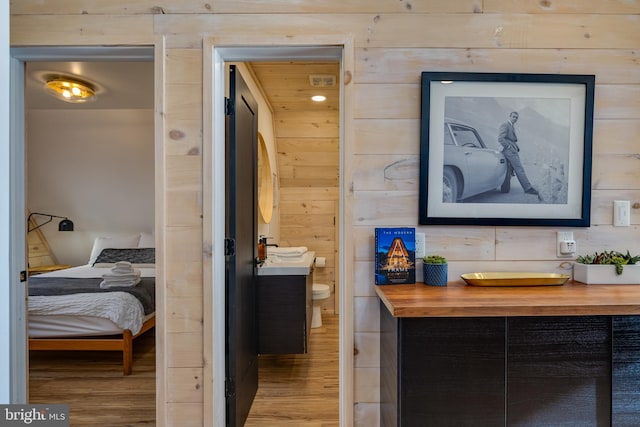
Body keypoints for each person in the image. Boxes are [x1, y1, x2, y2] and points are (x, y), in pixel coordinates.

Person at [498, 111, 539, 196]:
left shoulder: (511, 126)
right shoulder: (505, 125)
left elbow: (511, 139)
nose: (515, 119)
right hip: (509, 151)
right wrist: (508, 147)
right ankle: (527, 188)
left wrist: (516, 147)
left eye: (516, 118)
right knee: (519, 168)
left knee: (509, 169)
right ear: (509, 116)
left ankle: (505, 188)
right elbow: (500, 138)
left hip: (513, 150)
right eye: (513, 117)